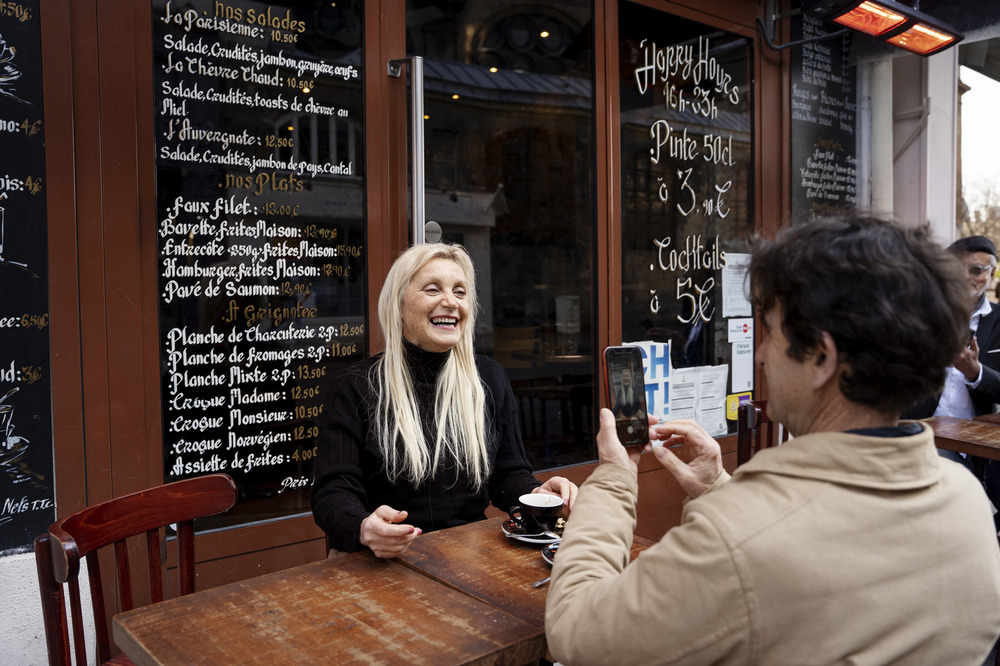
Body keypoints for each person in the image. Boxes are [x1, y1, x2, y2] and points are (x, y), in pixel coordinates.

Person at [546, 217, 1000, 665]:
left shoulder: (744, 538)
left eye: (773, 332)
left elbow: (578, 631)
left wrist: (613, 479)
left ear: (822, 357)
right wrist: (716, 489)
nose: (760, 354)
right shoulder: (967, 501)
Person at [311, 243, 577, 558]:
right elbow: (332, 491)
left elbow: (507, 474)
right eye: (433, 289)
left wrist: (535, 493)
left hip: (468, 557)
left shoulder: (488, 379)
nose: (450, 302)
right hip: (381, 559)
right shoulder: (356, 387)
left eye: (460, 292)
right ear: (398, 304)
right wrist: (364, 527)